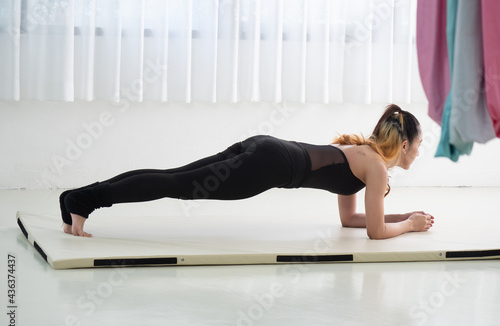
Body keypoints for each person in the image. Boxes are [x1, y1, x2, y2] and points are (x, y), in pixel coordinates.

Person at [60, 104, 434, 239]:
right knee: (176, 184)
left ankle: (77, 199)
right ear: (403, 146)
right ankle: (84, 201)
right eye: (418, 146)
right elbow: (375, 232)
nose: (418, 153)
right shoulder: (377, 169)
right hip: (269, 165)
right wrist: (409, 227)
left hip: (266, 146)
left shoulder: (365, 154)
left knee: (173, 175)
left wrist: (402, 215)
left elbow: (351, 218)